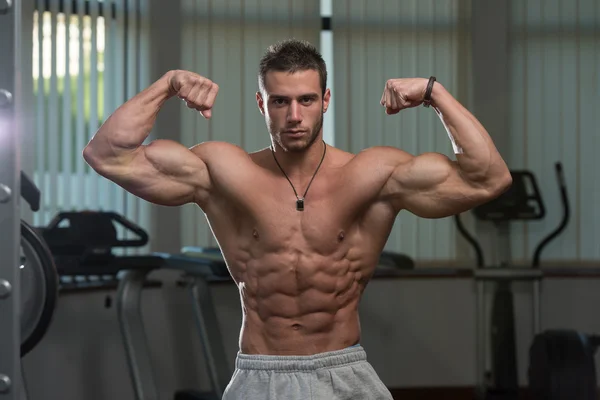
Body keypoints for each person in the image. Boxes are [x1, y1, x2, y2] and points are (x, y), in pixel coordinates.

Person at [83, 39, 512, 399]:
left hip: (343, 371)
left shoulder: (373, 175)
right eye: (280, 101)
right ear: (261, 103)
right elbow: (107, 154)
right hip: (259, 372)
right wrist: (168, 84)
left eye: (307, 100)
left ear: (325, 100)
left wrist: (434, 92)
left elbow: (488, 178)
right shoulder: (224, 172)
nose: (294, 116)